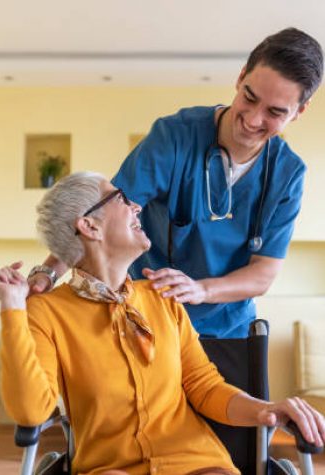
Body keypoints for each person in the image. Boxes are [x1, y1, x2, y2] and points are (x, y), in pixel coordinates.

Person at [0, 173, 325, 475]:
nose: (136, 206)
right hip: (110, 467)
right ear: (90, 226)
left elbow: (205, 388)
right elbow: (31, 412)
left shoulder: (162, 297)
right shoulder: (46, 313)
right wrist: (12, 308)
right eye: (119, 198)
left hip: (196, 462)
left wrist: (267, 411)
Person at [27, 28, 324, 338]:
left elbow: (263, 274)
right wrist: (48, 273)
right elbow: (102, 217)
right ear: (240, 77)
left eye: (275, 112)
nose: (252, 120)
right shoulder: (175, 137)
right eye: (249, 97)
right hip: (148, 322)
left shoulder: (287, 174)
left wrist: (201, 289)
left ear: (300, 111)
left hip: (226, 330)